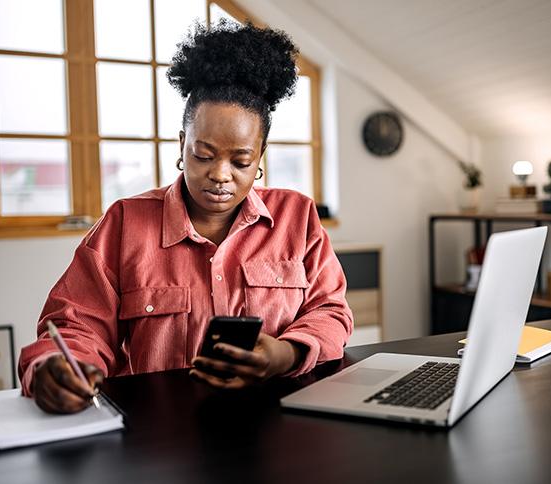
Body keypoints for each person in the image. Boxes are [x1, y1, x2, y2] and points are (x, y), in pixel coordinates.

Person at [18, 21, 353, 414]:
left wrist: (285, 353)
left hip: (278, 423)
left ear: (260, 157)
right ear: (182, 145)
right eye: (204, 155)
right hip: (157, 432)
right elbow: (76, 326)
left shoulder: (297, 216)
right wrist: (56, 368)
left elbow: (330, 312)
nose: (220, 174)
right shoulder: (124, 223)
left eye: (241, 161)